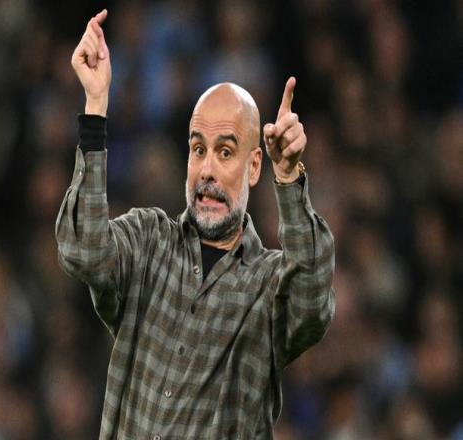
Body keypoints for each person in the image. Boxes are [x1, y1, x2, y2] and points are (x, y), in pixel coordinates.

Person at [56, 9, 335, 440]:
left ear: (254, 166)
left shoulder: (268, 283)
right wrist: (95, 108)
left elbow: (312, 304)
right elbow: (82, 251)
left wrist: (288, 179)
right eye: (198, 149)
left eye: (225, 153)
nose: (206, 170)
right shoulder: (147, 240)